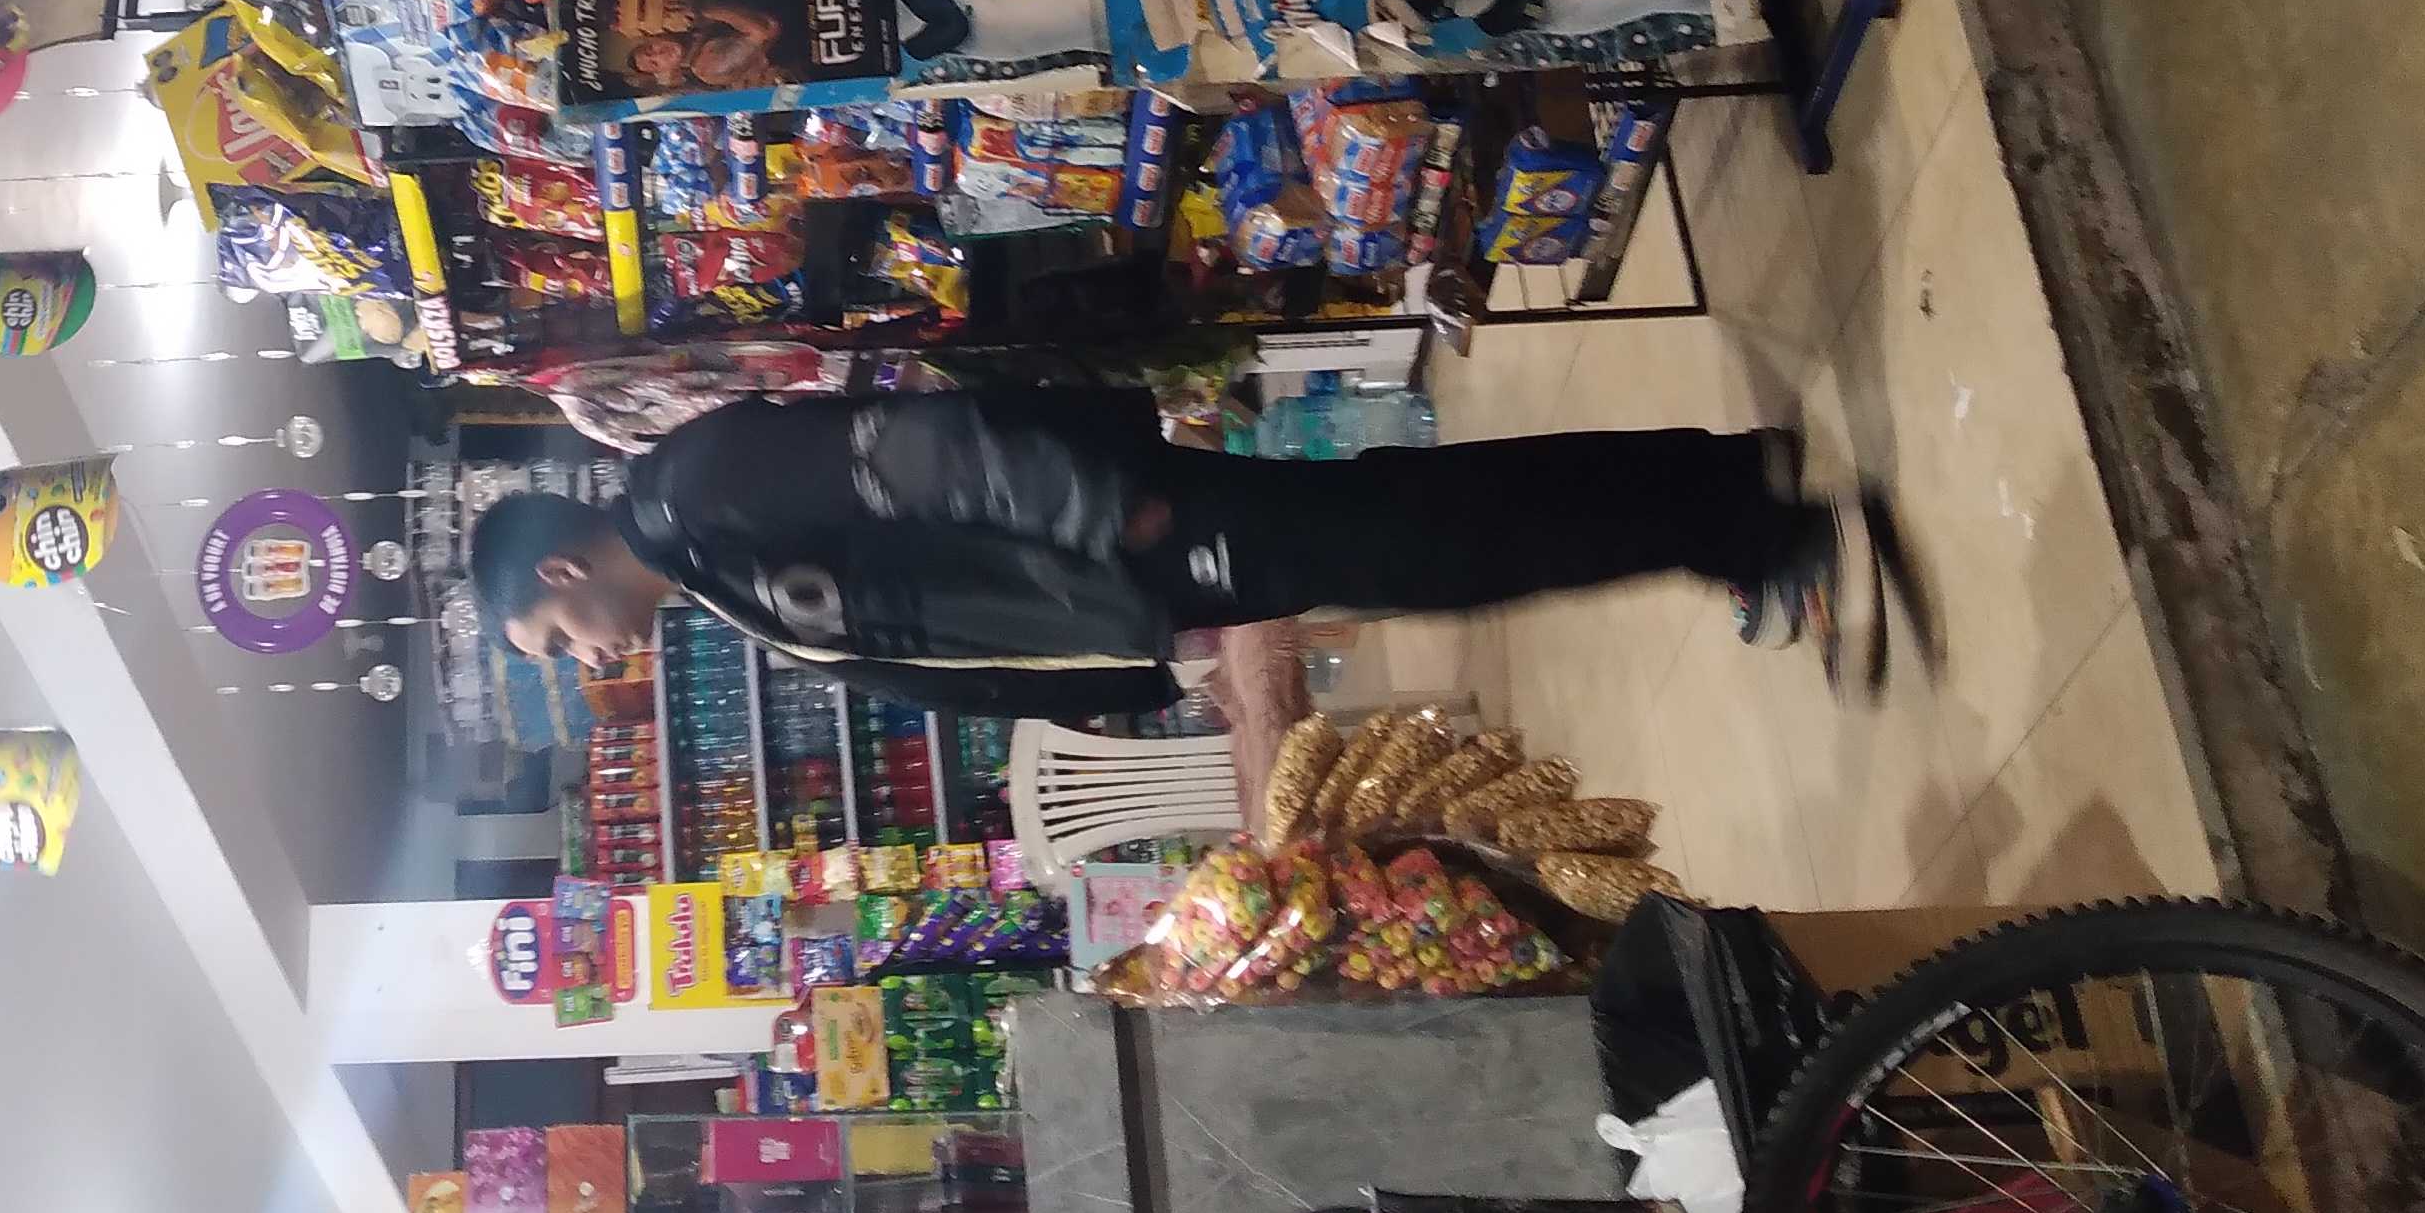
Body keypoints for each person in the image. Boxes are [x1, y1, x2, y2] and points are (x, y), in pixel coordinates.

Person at [474, 384, 1931, 720]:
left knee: (1436, 543)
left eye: (553, 643)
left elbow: (910, 454)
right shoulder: (701, 564)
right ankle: (1720, 487)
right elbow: (936, 637)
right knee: (1422, 527)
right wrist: (1123, 672)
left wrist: (1098, 514)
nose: (584, 661)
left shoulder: (693, 491)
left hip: (1133, 536)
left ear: (558, 572)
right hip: (1129, 577)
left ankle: (1748, 520)